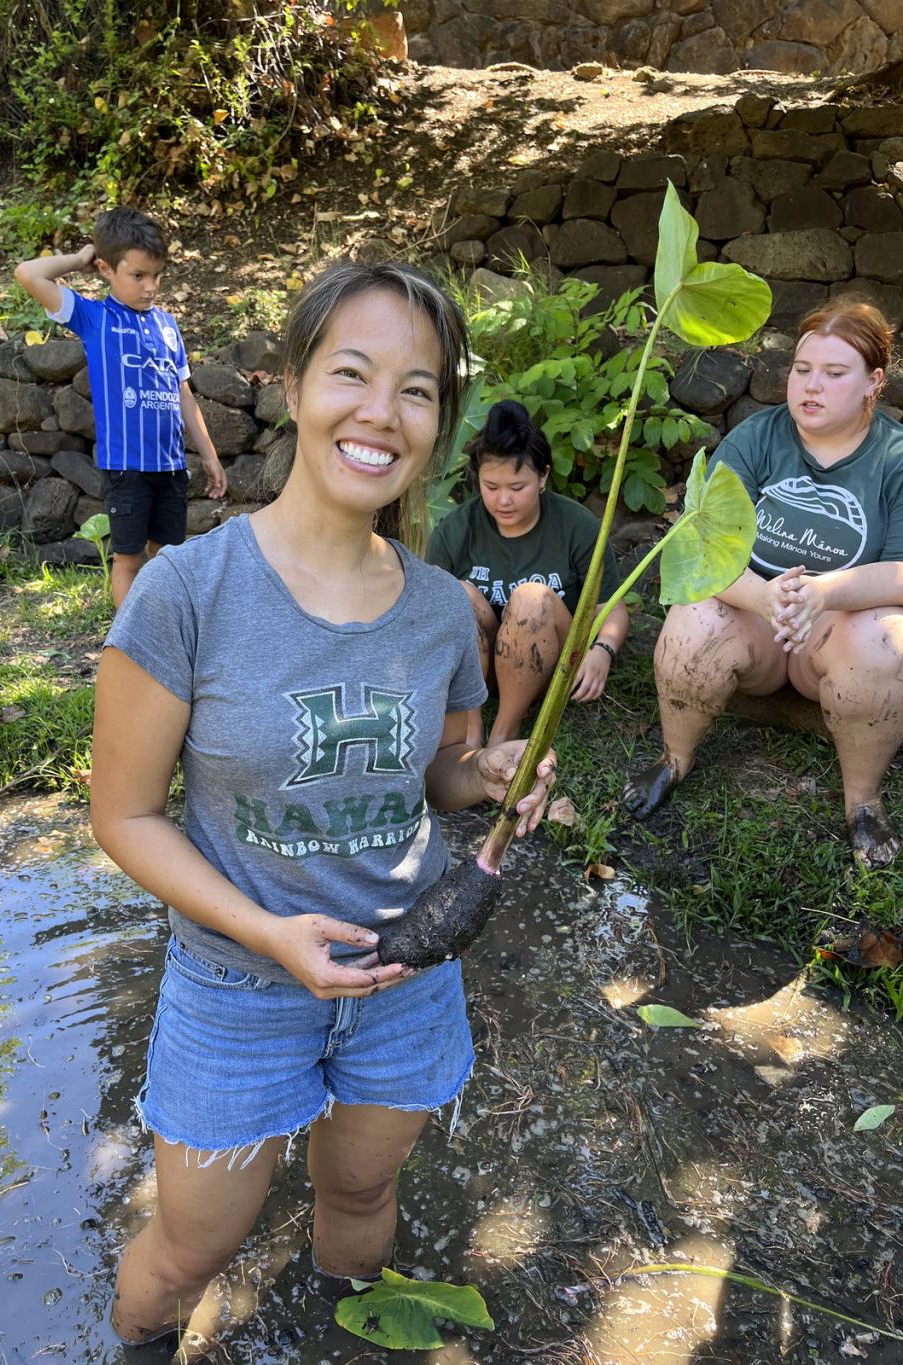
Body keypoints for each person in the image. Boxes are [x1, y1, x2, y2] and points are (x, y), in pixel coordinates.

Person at [89, 261, 557, 1347]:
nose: (380, 413)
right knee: (188, 1253)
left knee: (357, 1207)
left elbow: (436, 774)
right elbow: (124, 816)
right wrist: (266, 932)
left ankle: (336, 1335)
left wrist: (482, 773)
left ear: (439, 420)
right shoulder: (186, 593)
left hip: (404, 976)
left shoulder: (444, 610)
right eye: (352, 372)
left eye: (417, 389)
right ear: (294, 385)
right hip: (235, 987)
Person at [624, 300, 903, 869]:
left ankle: (863, 803)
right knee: (693, 617)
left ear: (874, 381)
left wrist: (822, 595)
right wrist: (763, 596)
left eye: (834, 373)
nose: (811, 386)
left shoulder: (895, 458)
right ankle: (674, 757)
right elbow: (698, 541)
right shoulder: (758, 437)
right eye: (802, 370)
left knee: (884, 637)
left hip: (832, 632)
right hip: (755, 617)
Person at [14, 207, 227, 609]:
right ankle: (127, 645)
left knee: (169, 558)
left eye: (157, 276)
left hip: (171, 467)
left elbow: (184, 395)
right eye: (138, 276)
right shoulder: (95, 318)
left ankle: (165, 632)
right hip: (127, 467)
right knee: (129, 557)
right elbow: (28, 274)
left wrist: (210, 456)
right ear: (106, 269)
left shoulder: (168, 325)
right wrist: (79, 259)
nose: (150, 287)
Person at [427, 399, 629, 748]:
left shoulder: (577, 526)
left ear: (543, 476)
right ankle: (471, 725)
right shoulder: (455, 531)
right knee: (453, 593)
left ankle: (506, 727)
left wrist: (603, 650)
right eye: (491, 487)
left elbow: (610, 607)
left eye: (516, 488)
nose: (503, 500)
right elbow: (431, 619)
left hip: (554, 662)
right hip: (482, 666)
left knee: (531, 598)